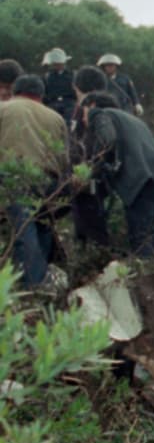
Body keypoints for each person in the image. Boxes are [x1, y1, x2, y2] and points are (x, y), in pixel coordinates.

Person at [79, 91, 154, 257]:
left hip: (142, 182)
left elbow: (107, 140)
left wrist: (90, 171)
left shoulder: (100, 113)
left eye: (84, 112)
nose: (83, 119)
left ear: (92, 105)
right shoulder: (133, 120)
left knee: (140, 239)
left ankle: (150, 278)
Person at [0, 75, 69, 286]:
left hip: (16, 176)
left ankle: (34, 285)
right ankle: (45, 283)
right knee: (43, 228)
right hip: (49, 181)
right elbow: (63, 158)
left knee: (24, 230)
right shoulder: (56, 117)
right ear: (41, 95)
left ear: (14, 91)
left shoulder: (4, 108)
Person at [68, 66, 112, 245]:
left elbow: (93, 141)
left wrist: (85, 171)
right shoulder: (107, 105)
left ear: (78, 87)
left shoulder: (91, 108)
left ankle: (97, 261)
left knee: (92, 223)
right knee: (87, 221)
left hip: (91, 175)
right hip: (93, 173)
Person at [41, 48, 76, 123]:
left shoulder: (72, 75)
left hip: (69, 103)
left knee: (68, 122)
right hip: (52, 103)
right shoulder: (48, 76)